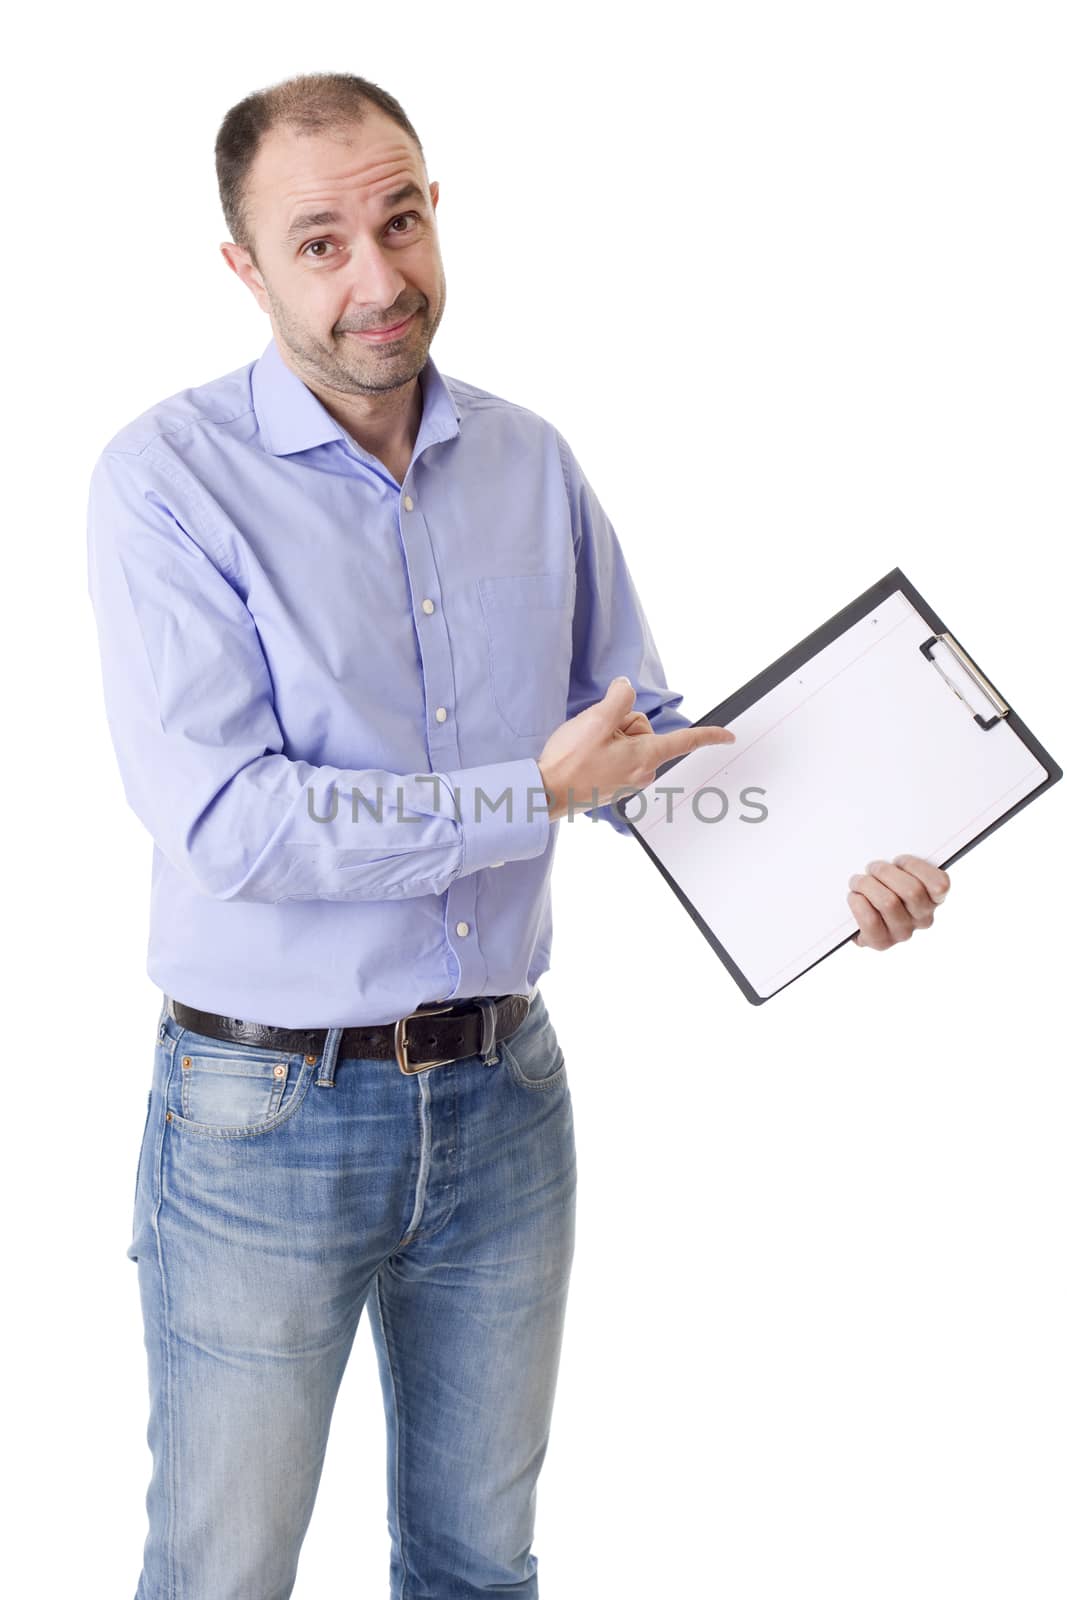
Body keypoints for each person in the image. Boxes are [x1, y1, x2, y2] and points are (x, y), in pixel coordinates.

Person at [86, 71, 953, 1600]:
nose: (379, 277)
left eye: (401, 219)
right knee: (223, 1576)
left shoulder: (532, 462)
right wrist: (525, 795)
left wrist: (844, 868)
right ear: (245, 267)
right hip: (262, 1117)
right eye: (321, 241)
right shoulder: (166, 484)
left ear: (436, 210)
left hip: (505, 1102)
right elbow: (229, 819)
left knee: (483, 1569)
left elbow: (638, 752)